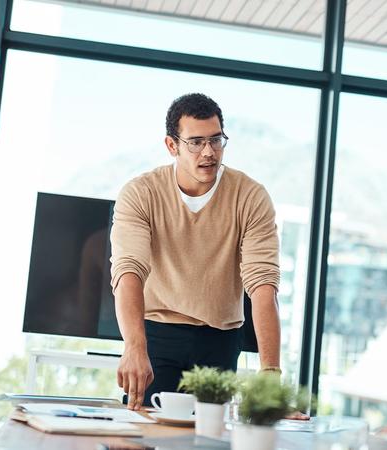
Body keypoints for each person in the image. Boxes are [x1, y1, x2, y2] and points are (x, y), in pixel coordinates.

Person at [110, 93, 281, 411]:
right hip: (156, 334)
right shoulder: (141, 193)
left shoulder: (250, 196)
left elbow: (262, 285)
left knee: (207, 440)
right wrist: (134, 346)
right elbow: (128, 270)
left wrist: (270, 376)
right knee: (144, 434)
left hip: (220, 339)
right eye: (196, 142)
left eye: (216, 140)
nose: (209, 152)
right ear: (172, 146)